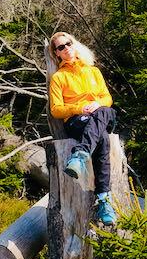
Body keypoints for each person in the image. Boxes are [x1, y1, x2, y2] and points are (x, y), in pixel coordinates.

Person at [46, 31, 118, 225]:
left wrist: (97, 105)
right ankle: (104, 201)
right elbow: (56, 110)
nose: (66, 48)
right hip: (77, 121)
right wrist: (79, 108)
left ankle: (80, 155)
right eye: (61, 47)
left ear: (74, 44)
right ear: (56, 54)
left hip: (100, 114)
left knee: (104, 111)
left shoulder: (92, 71)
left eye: (68, 43)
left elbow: (107, 98)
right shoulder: (58, 78)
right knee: (102, 139)